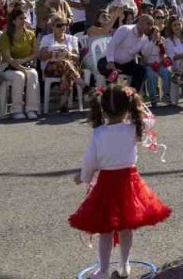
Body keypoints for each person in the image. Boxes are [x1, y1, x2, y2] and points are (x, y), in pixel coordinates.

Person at [69, 83, 171, 279]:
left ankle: (105, 270)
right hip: (129, 184)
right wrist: (136, 102)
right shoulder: (133, 128)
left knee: (105, 230)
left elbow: (90, 160)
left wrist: (83, 177)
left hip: (107, 185)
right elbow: (150, 120)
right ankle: (124, 266)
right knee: (126, 228)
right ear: (128, 107)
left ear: (103, 109)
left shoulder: (99, 133)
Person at [0, 8, 40, 120]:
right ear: (13, 21)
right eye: (20, 18)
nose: (23, 20)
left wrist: (24, 61)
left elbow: (36, 53)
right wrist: (21, 68)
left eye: (24, 18)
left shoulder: (30, 34)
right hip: (8, 67)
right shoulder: (5, 35)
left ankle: (31, 109)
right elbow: (8, 58)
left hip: (26, 64)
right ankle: (16, 110)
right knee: (19, 76)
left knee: (33, 74)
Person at [40, 14, 82, 113]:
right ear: (52, 26)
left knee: (65, 70)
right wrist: (54, 54)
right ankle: (81, 83)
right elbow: (41, 56)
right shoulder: (47, 39)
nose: (62, 27)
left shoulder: (72, 39)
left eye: (65, 24)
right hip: (51, 68)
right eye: (59, 25)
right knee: (64, 63)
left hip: (68, 68)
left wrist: (68, 55)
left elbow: (77, 58)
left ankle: (63, 104)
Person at [106, 15, 153, 93]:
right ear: (140, 22)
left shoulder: (145, 38)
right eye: (148, 24)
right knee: (104, 68)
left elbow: (145, 53)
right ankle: (106, 95)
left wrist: (152, 40)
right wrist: (110, 62)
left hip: (127, 64)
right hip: (112, 61)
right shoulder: (125, 29)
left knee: (141, 70)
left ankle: (131, 95)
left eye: (151, 25)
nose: (150, 27)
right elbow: (112, 45)